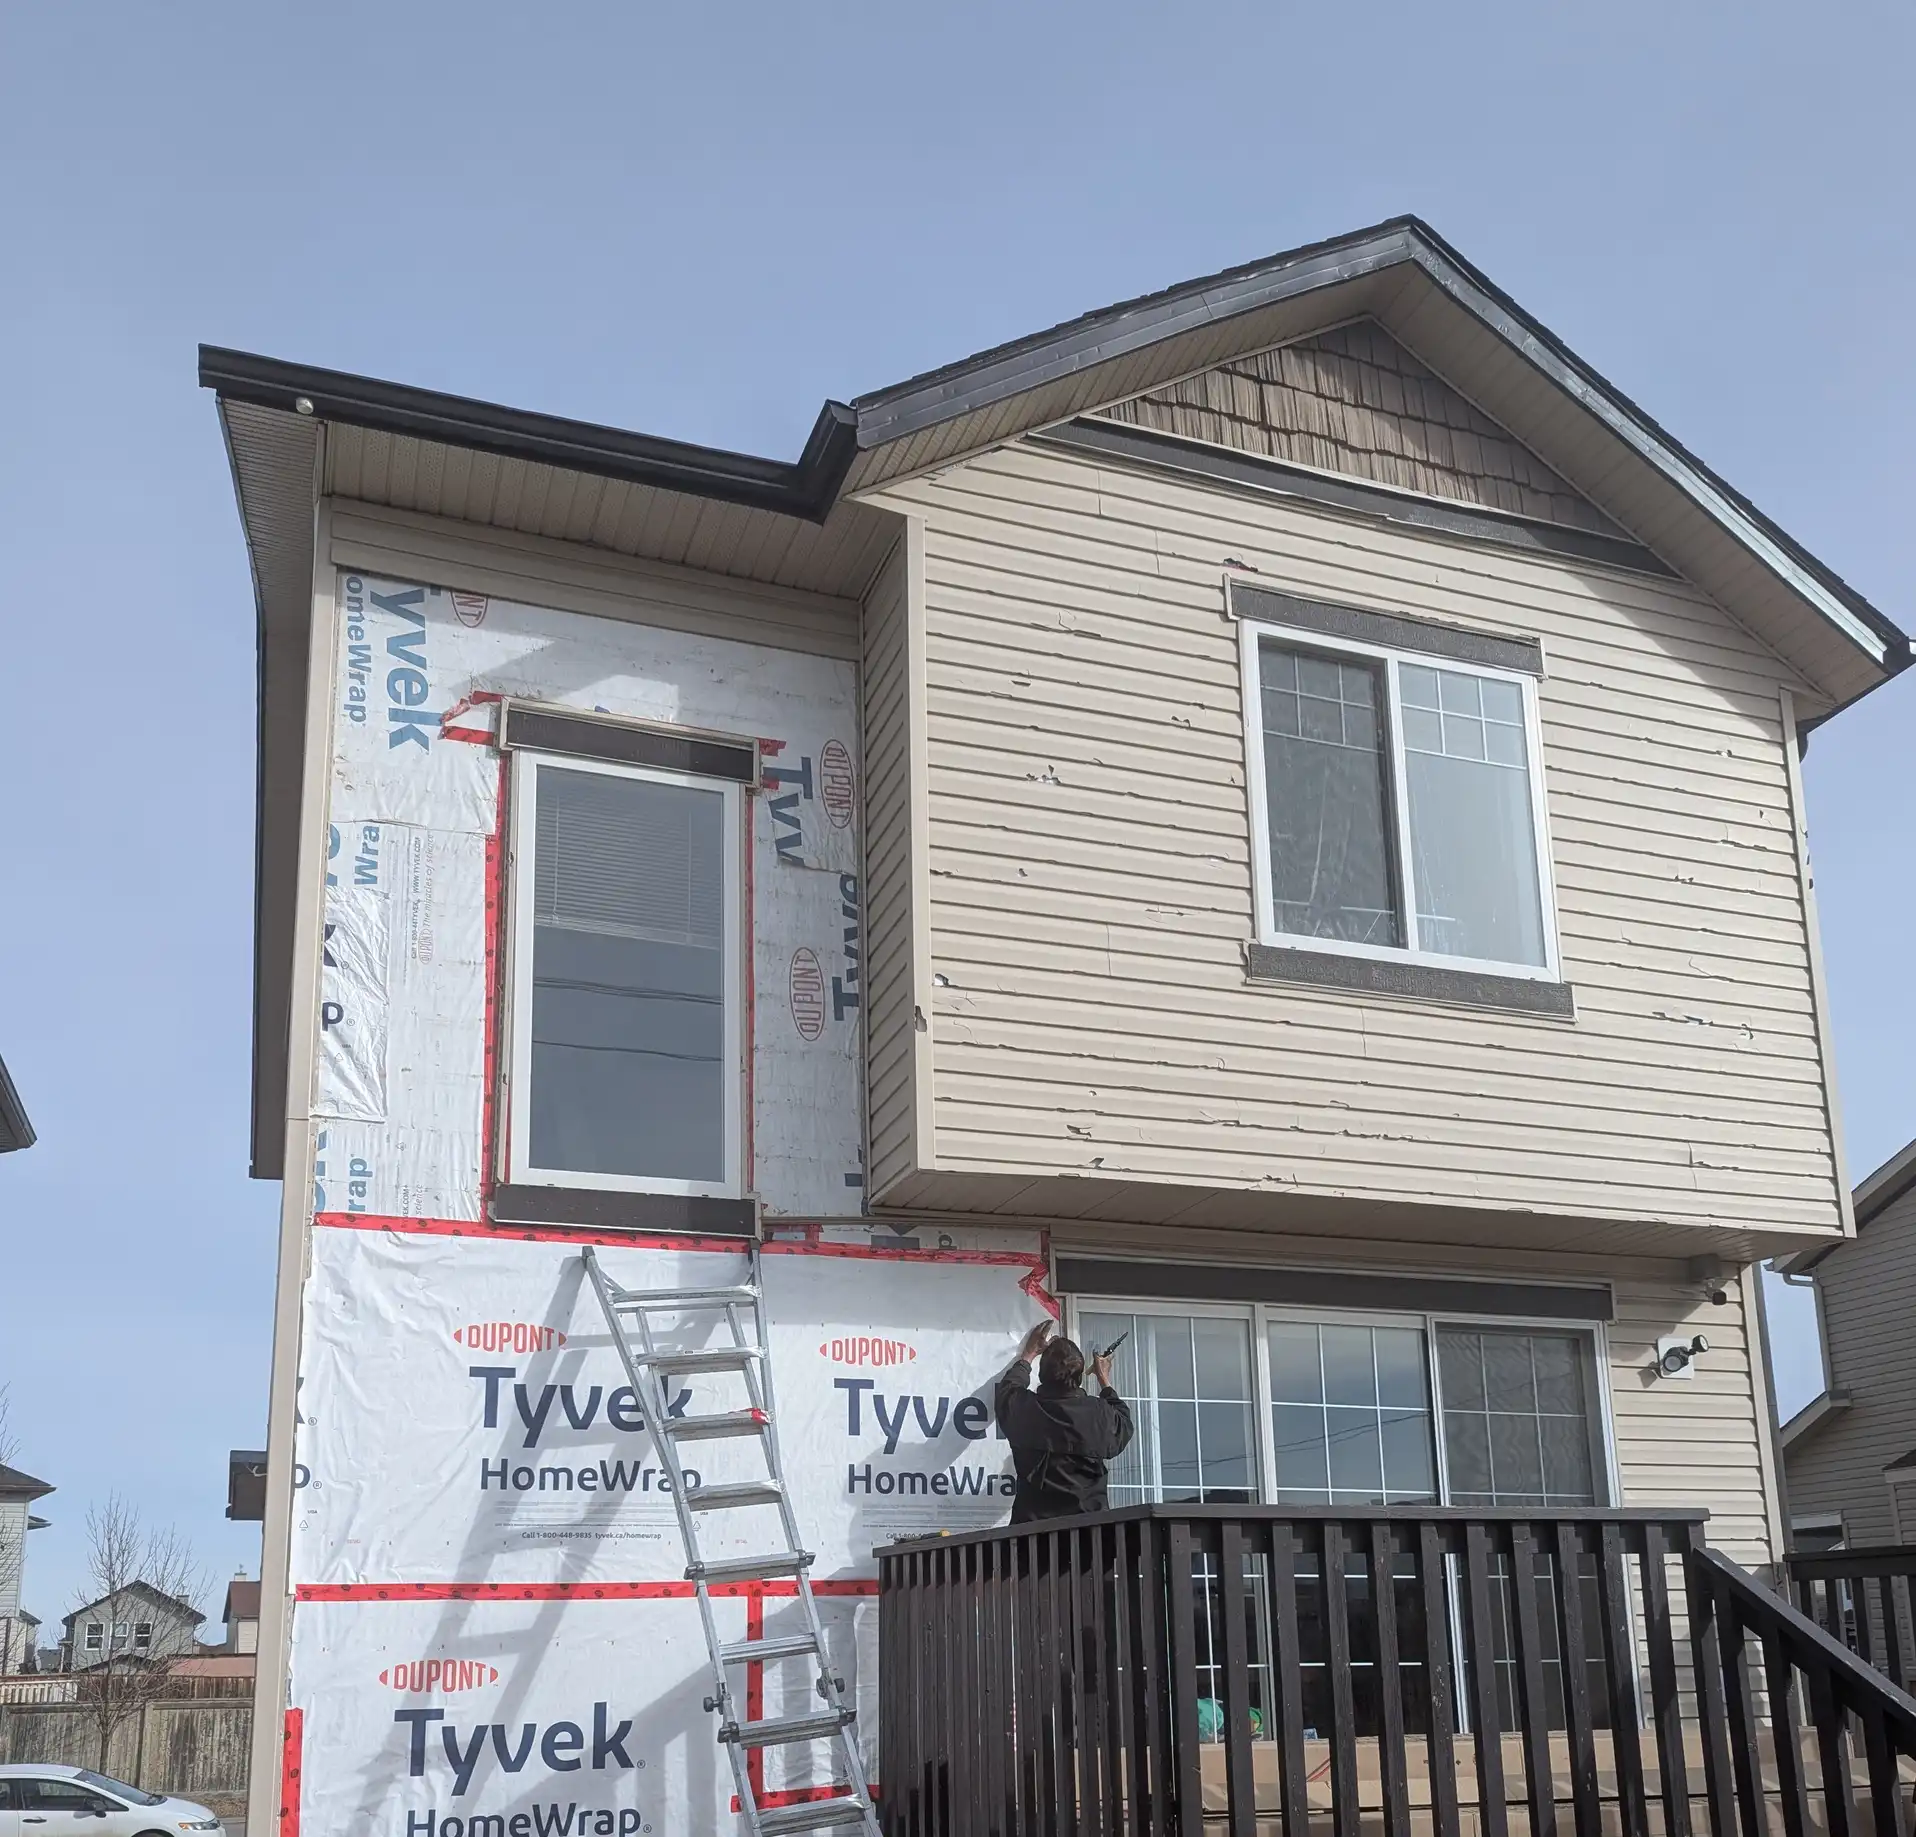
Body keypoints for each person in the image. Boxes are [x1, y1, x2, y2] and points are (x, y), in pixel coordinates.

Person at [993, 1318, 1134, 1523]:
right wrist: (1103, 1379)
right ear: (1079, 1378)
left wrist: (1028, 1354)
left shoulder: (1027, 1410)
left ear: (1042, 1374)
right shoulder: (1099, 1415)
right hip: (1090, 1539)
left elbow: (1007, 1391)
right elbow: (1123, 1423)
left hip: (1032, 1541)